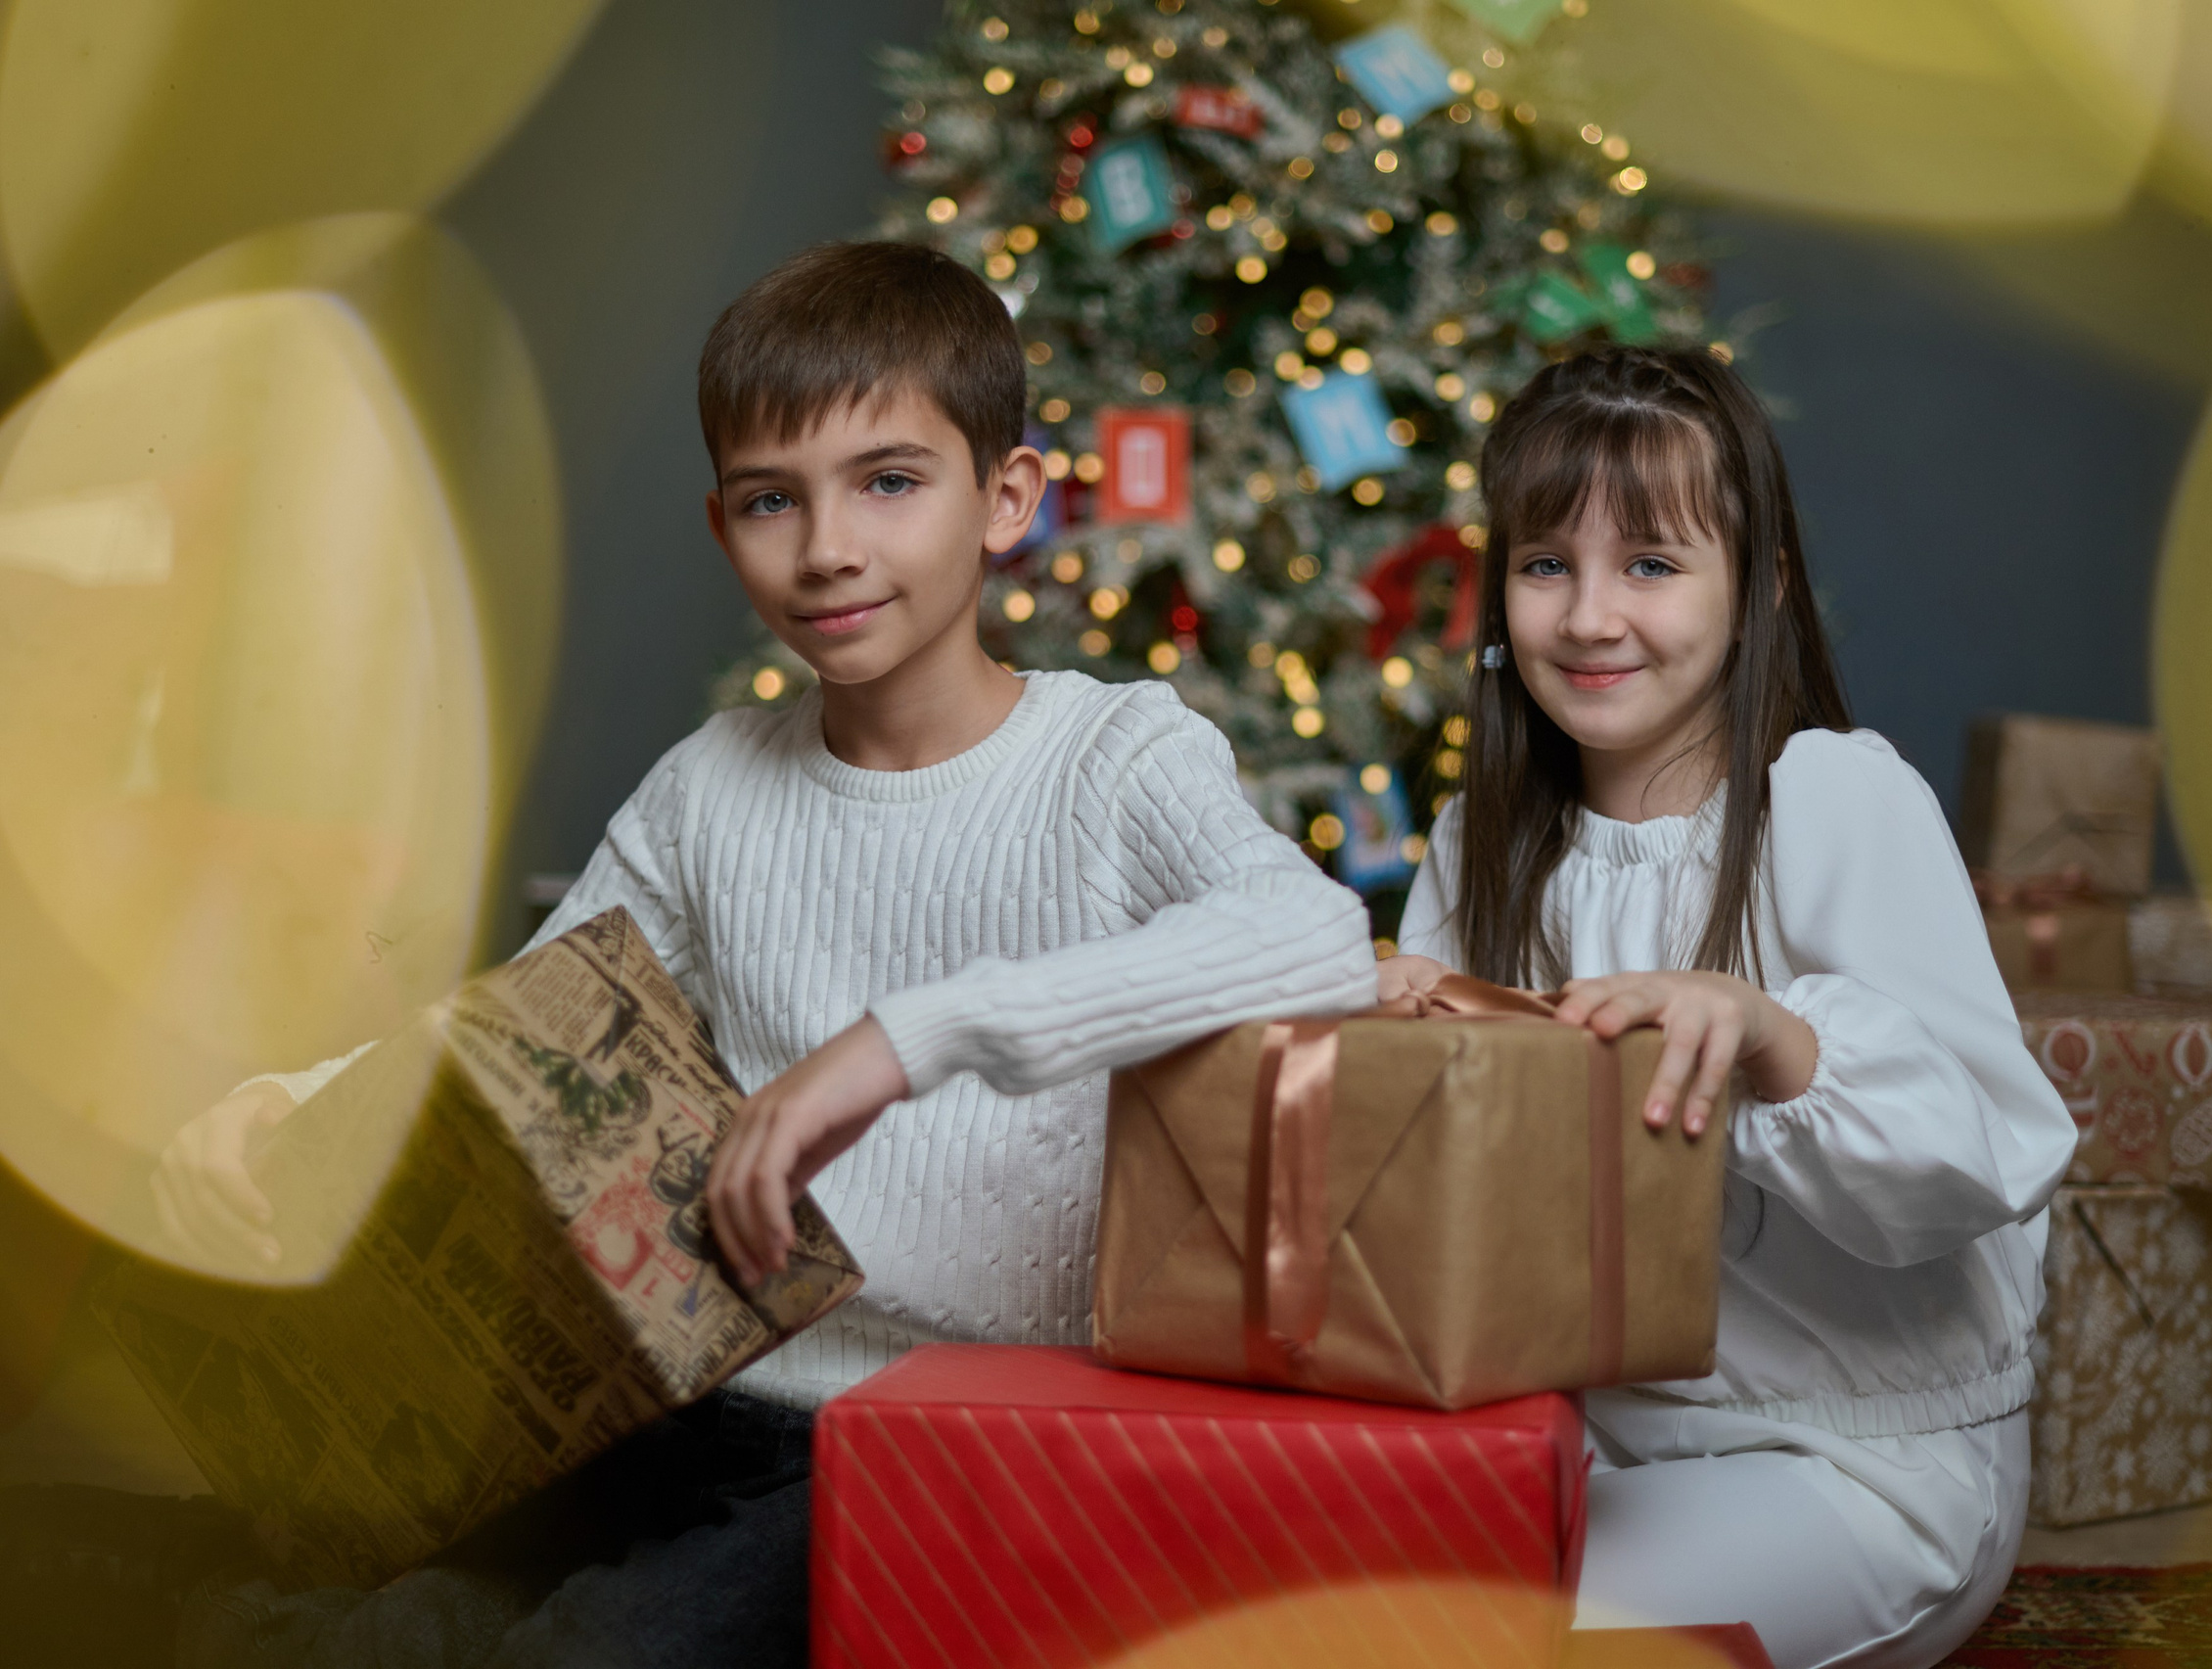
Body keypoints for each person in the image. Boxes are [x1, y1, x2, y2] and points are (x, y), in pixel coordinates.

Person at [152, 240, 1378, 1668]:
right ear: (723, 524)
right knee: (340, 1606)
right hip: (684, 1403)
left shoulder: (1115, 756)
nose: (829, 547)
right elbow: (516, 1043)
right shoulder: (710, 782)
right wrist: (285, 1104)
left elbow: (1311, 931)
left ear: (1009, 500)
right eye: (770, 501)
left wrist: (904, 1039)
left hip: (936, 1443)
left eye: (890, 482)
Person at [1377, 346, 2076, 1669]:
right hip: (1578, 1444)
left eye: (1649, 564)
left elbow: (1979, 1159)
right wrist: (1393, 1051)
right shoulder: (1485, 843)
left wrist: (1775, 1038)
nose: (1589, 617)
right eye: (1545, 566)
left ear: (1757, 592)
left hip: (1860, 1462)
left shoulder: (1832, 800)